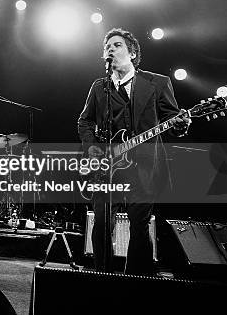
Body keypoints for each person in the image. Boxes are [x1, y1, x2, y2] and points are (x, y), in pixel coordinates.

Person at [77, 28, 190, 275]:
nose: (110, 49)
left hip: (145, 167)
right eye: (107, 46)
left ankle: (134, 280)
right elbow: (84, 122)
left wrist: (181, 125)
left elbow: (172, 121)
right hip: (108, 168)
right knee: (102, 222)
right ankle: (102, 275)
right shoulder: (99, 87)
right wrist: (93, 147)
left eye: (116, 45)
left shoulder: (158, 83)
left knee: (139, 227)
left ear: (132, 52)